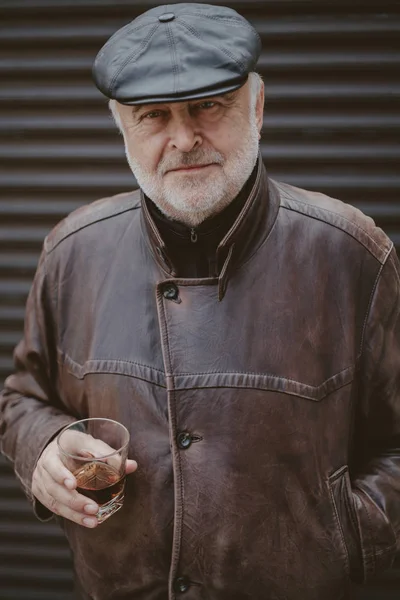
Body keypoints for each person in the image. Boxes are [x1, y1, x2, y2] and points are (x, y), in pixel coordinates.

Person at [1, 3, 399, 599]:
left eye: (209, 106)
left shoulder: (352, 254)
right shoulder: (71, 252)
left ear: (257, 107)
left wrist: (343, 535)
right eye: (152, 116)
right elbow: (22, 397)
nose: (183, 139)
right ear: (122, 127)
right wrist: (42, 446)